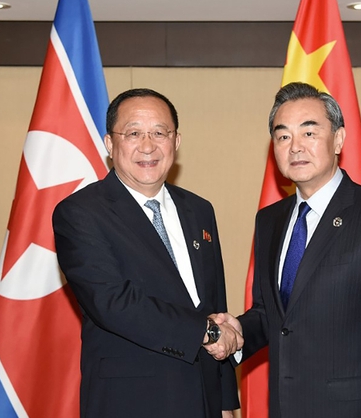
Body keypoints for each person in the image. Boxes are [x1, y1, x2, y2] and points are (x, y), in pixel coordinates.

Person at [212, 82, 361, 417]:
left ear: (338, 139)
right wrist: (236, 334)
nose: (295, 147)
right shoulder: (270, 220)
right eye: (283, 136)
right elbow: (274, 316)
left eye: (309, 133)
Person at [53, 88, 241, 418]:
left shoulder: (199, 210)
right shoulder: (81, 213)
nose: (148, 146)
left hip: (204, 402)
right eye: (134, 133)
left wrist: (225, 403)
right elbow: (113, 303)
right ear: (110, 144)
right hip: (131, 401)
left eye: (159, 133)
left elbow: (214, 303)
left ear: (176, 142)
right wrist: (206, 332)